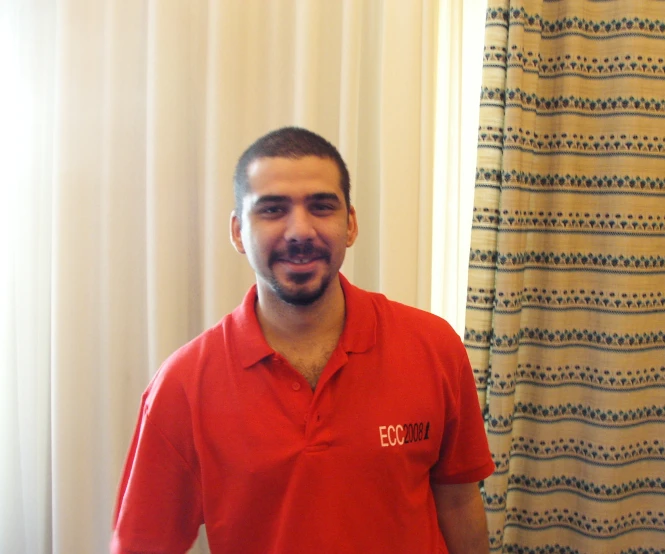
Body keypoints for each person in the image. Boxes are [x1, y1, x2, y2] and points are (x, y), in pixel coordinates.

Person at [111, 127, 495, 553]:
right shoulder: (183, 385)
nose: (300, 230)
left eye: (321, 206)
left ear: (350, 224)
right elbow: (143, 544)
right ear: (238, 232)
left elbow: (459, 502)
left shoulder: (433, 347)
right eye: (273, 210)